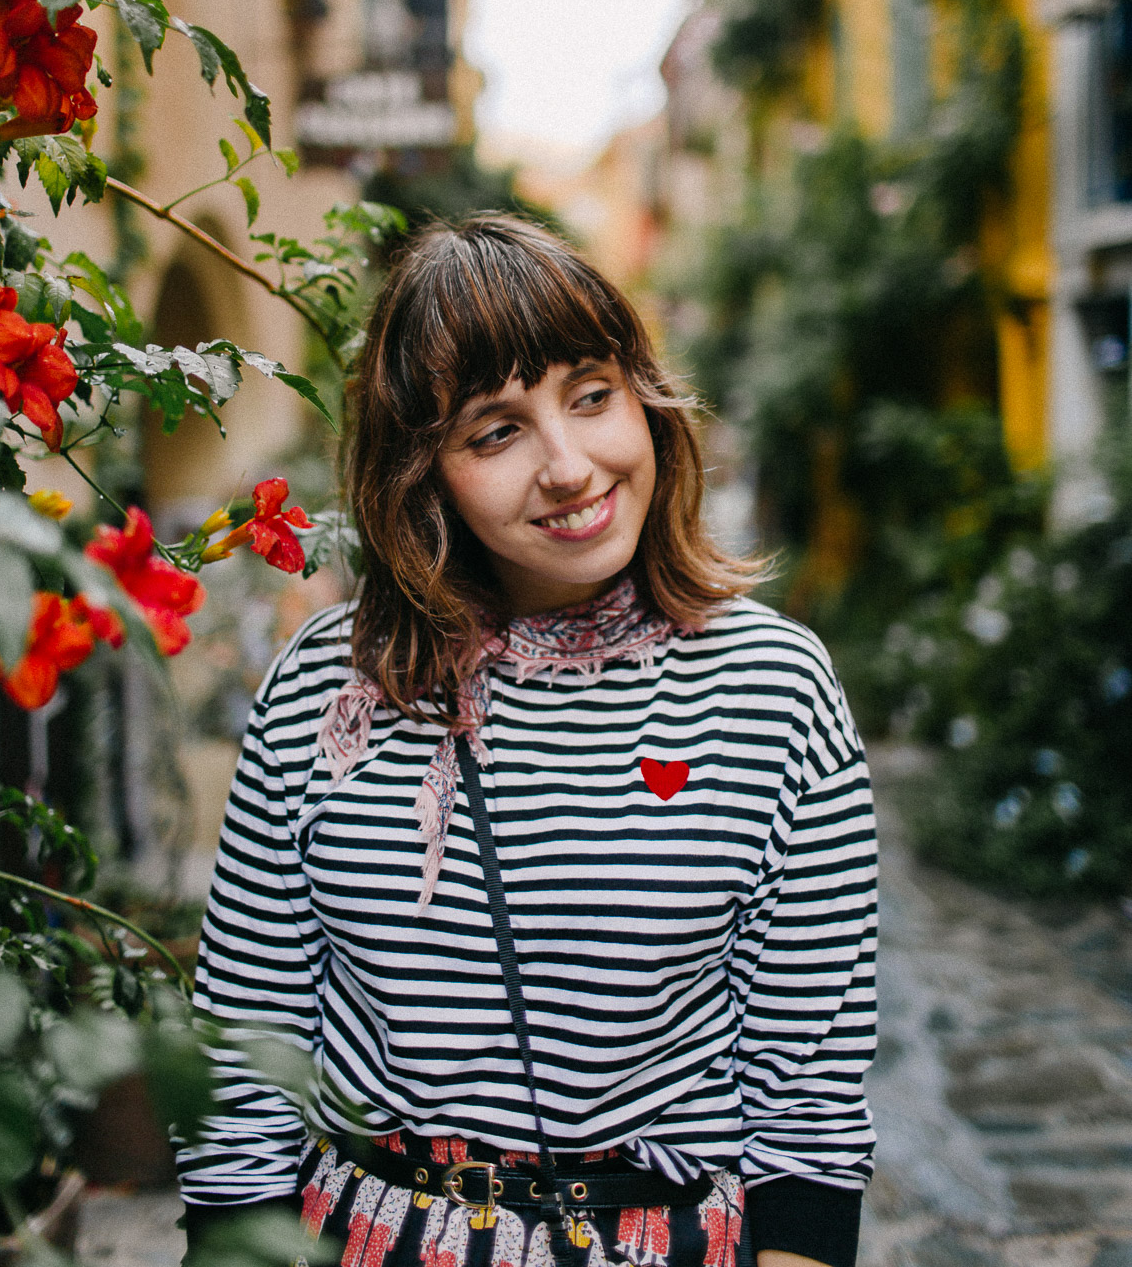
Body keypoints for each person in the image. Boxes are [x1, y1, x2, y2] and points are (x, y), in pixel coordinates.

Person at [177, 215, 877, 1267]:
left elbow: (810, 1100)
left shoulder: (771, 687)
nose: (569, 465)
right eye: (494, 430)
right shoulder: (324, 690)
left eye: (591, 394)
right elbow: (247, 1044)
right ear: (424, 473)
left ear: (644, 396)